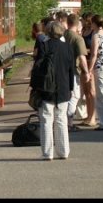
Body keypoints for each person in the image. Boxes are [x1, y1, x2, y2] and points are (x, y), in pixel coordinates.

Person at [33, 20, 74, 161]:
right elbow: (71, 70)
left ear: (48, 32)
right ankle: (63, 152)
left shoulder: (44, 46)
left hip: (46, 88)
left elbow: (37, 68)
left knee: (46, 120)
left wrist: (35, 87)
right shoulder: (67, 47)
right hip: (63, 89)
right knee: (61, 119)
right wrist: (71, 88)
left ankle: (47, 153)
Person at [65, 13, 90, 131]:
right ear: (78, 24)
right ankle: (69, 124)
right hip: (73, 71)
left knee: (64, 97)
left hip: (61, 70)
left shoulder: (62, 35)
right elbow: (82, 57)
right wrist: (86, 72)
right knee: (74, 96)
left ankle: (63, 121)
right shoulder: (77, 38)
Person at [80, 12, 98, 127]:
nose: (82, 21)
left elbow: (96, 50)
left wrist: (84, 51)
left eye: (84, 19)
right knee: (86, 92)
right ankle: (88, 115)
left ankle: (93, 118)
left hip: (90, 63)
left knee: (91, 91)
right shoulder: (83, 32)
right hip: (83, 64)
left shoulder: (93, 33)